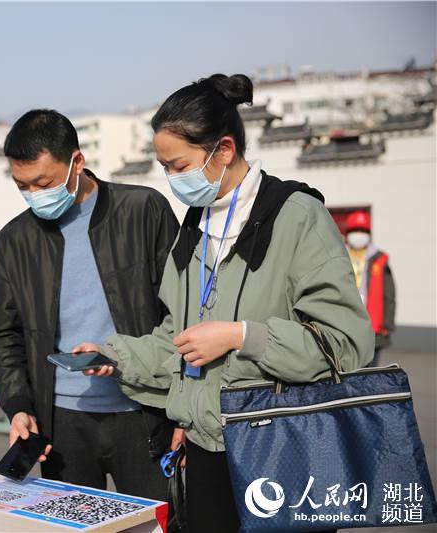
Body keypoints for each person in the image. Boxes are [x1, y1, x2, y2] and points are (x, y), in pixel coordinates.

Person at [76, 74, 374, 532]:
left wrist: (242, 336)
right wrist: (117, 356)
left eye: (179, 165)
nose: (173, 179)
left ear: (225, 150)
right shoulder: (194, 226)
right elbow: (178, 340)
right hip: (207, 449)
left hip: (283, 449)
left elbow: (346, 344)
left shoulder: (296, 217)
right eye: (165, 167)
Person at [0, 109, 178, 500]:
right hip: (61, 423)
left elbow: (183, 312)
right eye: (22, 186)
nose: (34, 195)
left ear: (77, 161)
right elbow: (5, 336)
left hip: (143, 411)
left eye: (43, 182)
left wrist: (186, 409)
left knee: (158, 524)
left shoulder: (143, 211)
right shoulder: (14, 240)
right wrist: (19, 406)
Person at [344, 210, 396, 366]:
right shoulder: (338, 256)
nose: (359, 234)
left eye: (363, 231)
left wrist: (387, 323)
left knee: (370, 372)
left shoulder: (379, 259)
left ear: (369, 234)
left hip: (373, 327)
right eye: (355, 230)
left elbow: (389, 293)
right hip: (346, 325)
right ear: (347, 233)